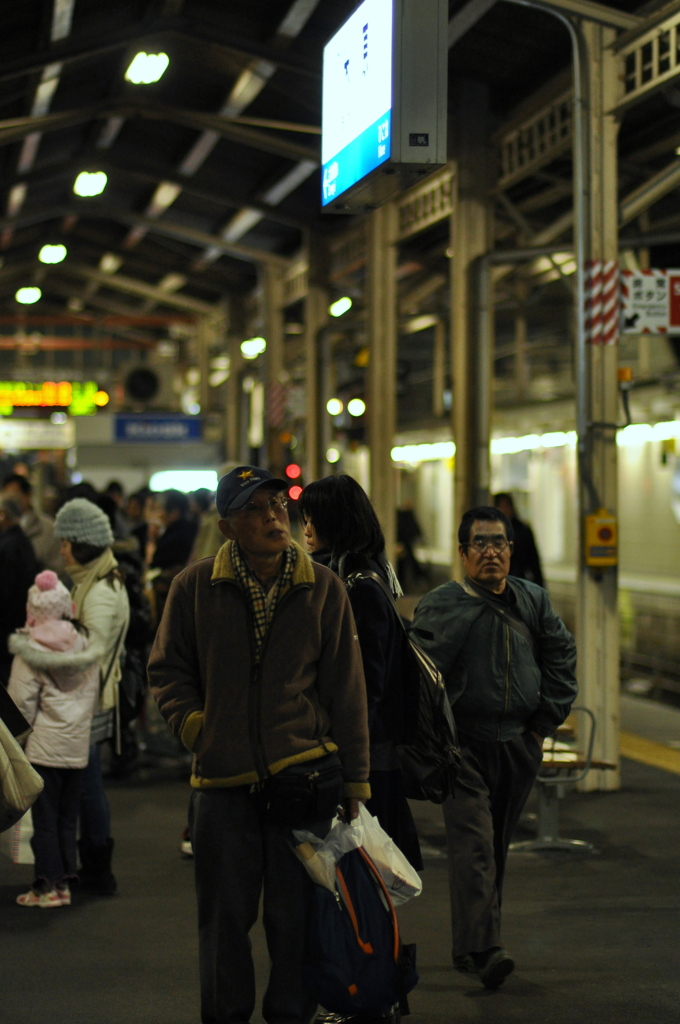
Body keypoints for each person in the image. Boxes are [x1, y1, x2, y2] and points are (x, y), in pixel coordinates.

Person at [148, 464, 369, 1024]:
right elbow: (167, 672)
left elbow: (347, 689)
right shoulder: (195, 587)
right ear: (227, 527)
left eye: (277, 505)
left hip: (303, 778)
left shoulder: (324, 588)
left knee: (295, 922)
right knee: (224, 922)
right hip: (222, 786)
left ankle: (290, 1016)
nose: (273, 516)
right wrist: (199, 728)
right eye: (255, 509)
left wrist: (356, 780)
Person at [411, 505, 577, 989]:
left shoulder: (533, 602)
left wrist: (543, 723)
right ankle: (486, 949)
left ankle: (473, 945)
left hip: (518, 745)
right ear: (462, 554)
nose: (491, 553)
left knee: (494, 847)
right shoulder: (443, 606)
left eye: (499, 543)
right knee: (475, 845)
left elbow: (562, 655)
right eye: (480, 544)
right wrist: (431, 740)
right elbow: (419, 676)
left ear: (511, 550)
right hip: (460, 748)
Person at [300, 473, 422, 870]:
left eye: (311, 518)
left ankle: (376, 934)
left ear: (332, 522)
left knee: (363, 867)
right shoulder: (361, 575)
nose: (305, 529)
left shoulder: (357, 585)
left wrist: (348, 755)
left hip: (367, 753)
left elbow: (366, 683)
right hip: (362, 747)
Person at [7, 570, 100, 908]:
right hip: (76, 747)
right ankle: (64, 885)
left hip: (44, 749)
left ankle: (47, 886)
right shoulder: (84, 643)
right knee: (67, 819)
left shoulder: (30, 649)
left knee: (44, 822)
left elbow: (21, 705)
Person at [53, 498, 130, 895]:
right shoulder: (95, 581)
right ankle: (95, 865)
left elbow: (91, 654)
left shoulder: (98, 591)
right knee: (88, 785)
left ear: (82, 543)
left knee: (87, 786)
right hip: (92, 699)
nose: (62, 549)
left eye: (66, 542)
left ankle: (99, 869)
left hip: (87, 700)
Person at [0, 495, 39, 685]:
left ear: (3, 516)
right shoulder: (22, 541)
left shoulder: (8, 546)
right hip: (19, 622)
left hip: (7, 627)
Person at [2, 472, 64, 576]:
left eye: (14, 495)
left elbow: (57, 566)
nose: (10, 500)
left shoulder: (47, 528)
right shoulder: (4, 526)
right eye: (6, 495)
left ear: (28, 496)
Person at [493, 493, 544, 587]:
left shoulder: (522, 530)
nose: (504, 510)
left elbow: (534, 563)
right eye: (500, 506)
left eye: (506, 506)